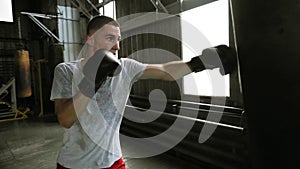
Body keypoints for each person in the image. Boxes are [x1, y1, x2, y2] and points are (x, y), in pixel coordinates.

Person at [50, 15, 235, 169]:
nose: (117, 46)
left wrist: (200, 63)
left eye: (118, 39)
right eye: (109, 38)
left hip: (113, 162)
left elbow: (164, 71)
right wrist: (92, 80)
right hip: (74, 164)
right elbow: (66, 119)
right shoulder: (66, 71)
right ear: (89, 39)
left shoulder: (125, 68)